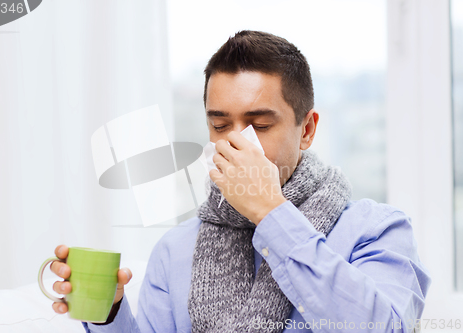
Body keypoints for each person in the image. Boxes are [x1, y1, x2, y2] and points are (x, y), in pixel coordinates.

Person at [50, 30, 431, 332]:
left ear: (307, 130)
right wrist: (109, 315)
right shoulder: (176, 249)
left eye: (260, 125)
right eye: (219, 125)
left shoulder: (377, 230)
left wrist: (270, 212)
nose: (236, 142)